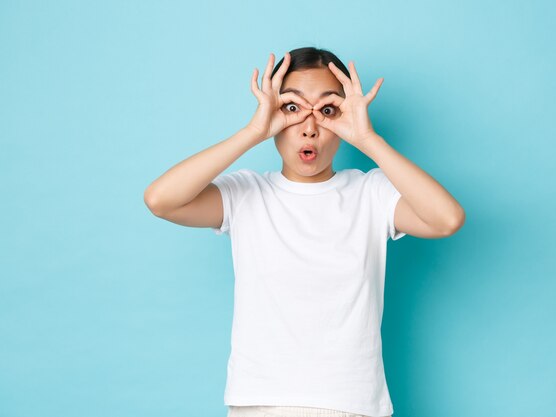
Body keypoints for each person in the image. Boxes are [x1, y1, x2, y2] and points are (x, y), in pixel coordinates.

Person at [144, 46, 465, 417]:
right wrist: (253, 132)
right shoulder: (247, 194)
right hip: (260, 405)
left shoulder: (371, 193)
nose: (309, 127)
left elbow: (447, 219)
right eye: (292, 108)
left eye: (327, 110)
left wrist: (368, 140)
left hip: (352, 405)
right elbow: (160, 200)